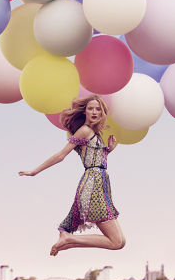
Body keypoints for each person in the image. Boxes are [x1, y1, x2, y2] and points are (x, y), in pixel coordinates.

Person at [19, 95, 126, 256]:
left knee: (120, 242)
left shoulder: (94, 134)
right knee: (117, 242)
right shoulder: (84, 131)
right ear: (85, 112)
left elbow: (93, 159)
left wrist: (107, 151)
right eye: (91, 108)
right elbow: (61, 155)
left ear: (103, 112)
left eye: (98, 108)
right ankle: (68, 239)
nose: (95, 112)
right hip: (93, 188)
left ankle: (68, 241)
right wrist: (35, 171)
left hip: (99, 186)